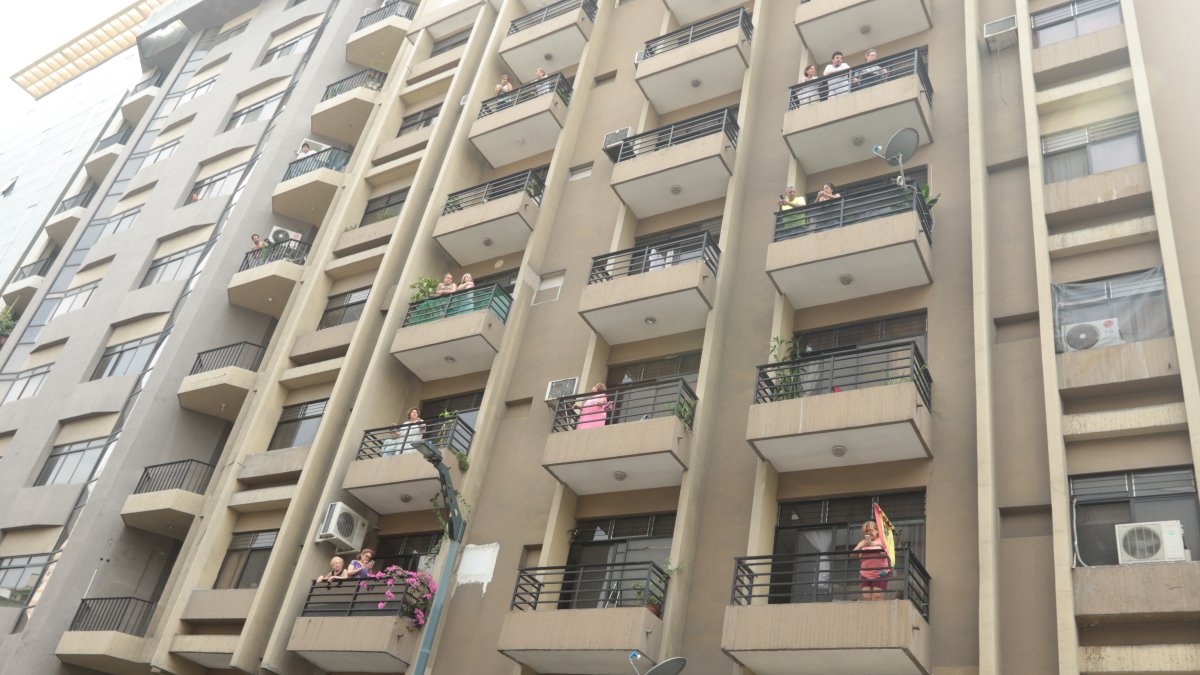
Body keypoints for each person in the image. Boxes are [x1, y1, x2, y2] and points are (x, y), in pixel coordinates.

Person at [853, 520, 890, 601]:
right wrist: (861, 546)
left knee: (877, 596)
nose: (868, 533)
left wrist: (877, 544)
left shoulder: (882, 541)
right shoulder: (863, 542)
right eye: (866, 531)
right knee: (867, 597)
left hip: (880, 573)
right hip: (865, 573)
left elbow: (889, 551)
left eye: (871, 530)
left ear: (876, 530)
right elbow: (852, 554)